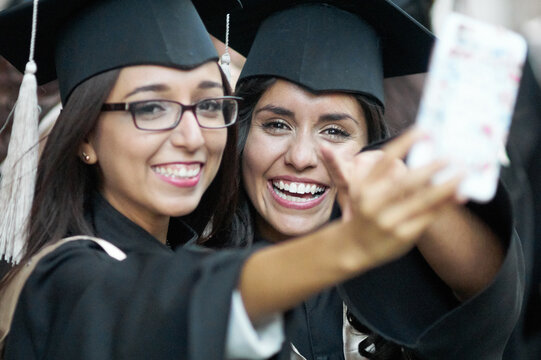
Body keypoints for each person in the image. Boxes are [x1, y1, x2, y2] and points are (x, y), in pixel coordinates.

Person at [0, 0, 464, 359]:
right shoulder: (59, 279)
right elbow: (156, 301)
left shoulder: (174, 250)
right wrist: (347, 246)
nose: (191, 136)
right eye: (152, 108)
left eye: (207, 104)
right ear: (84, 136)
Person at [207, 1, 524, 359]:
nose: (300, 157)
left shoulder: (410, 279)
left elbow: (486, 290)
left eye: (335, 131)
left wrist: (404, 192)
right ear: (244, 134)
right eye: (277, 125)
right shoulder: (190, 276)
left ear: (372, 147)